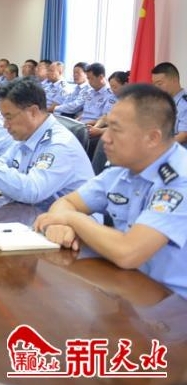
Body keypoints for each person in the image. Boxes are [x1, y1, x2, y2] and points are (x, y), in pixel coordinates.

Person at [34, 84, 187, 298]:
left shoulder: (179, 179)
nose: (105, 137)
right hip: (127, 287)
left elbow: (128, 253)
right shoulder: (124, 169)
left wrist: (72, 220)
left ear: (152, 138)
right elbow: (66, 203)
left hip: (172, 305)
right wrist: (61, 224)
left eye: (116, 129)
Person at [0, 77, 93, 208]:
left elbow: (32, 191)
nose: (5, 125)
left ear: (33, 112)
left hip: (68, 219)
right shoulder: (25, 136)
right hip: (31, 213)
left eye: (9, 117)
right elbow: (2, 165)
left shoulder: (60, 144)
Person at [151, 62, 187, 144]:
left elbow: (184, 135)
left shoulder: (184, 104)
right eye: (154, 84)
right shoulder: (164, 102)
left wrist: (160, 145)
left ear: (175, 80)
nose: (156, 88)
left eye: (159, 84)